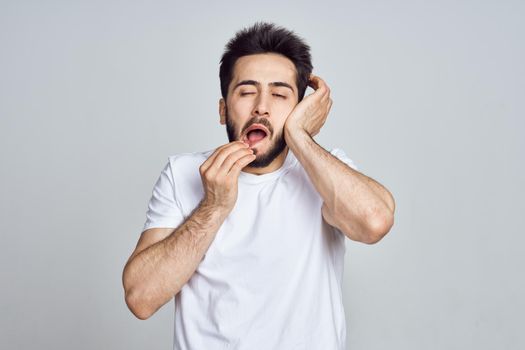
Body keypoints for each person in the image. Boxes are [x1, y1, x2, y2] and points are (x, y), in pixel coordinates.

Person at [122, 22, 395, 350]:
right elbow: (140, 297)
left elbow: (375, 222)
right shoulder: (182, 173)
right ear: (223, 110)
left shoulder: (322, 171)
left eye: (280, 94)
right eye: (247, 92)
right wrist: (213, 206)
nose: (262, 106)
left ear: (300, 109)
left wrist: (298, 135)